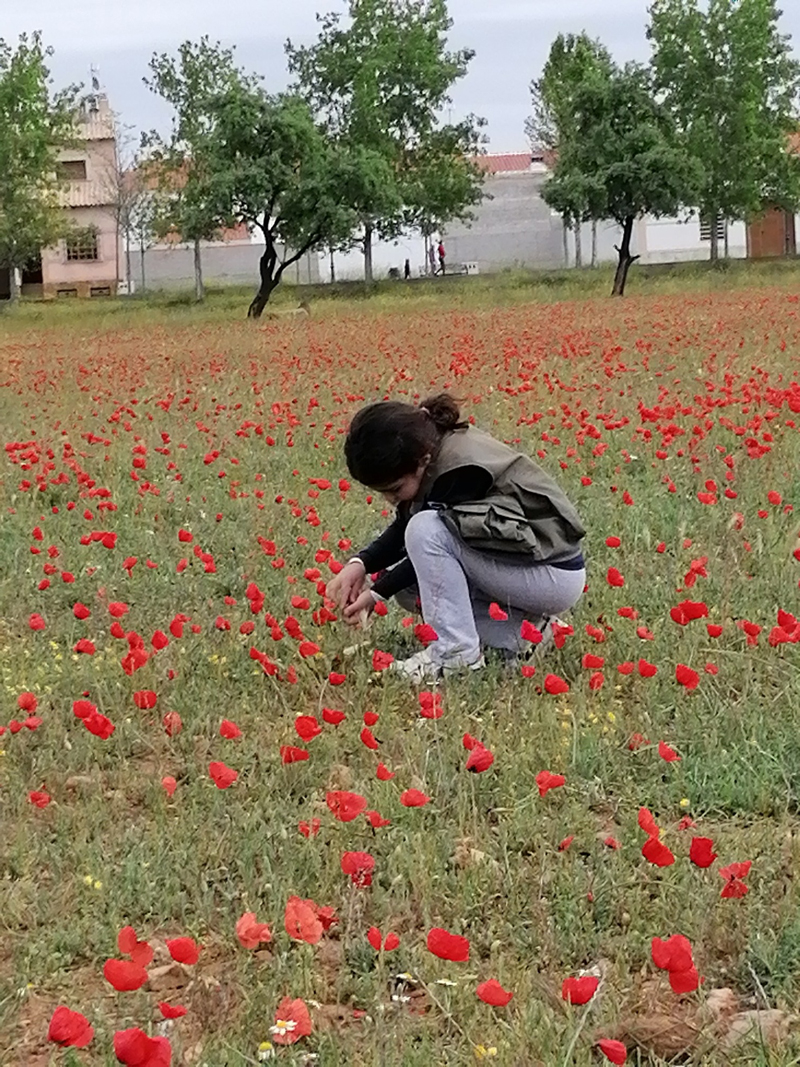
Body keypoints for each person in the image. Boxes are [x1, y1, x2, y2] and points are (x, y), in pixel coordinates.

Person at [326, 394, 586, 682]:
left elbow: (424, 539)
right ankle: (529, 633)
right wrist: (361, 563)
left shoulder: (457, 471)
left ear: (422, 461)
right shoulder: (433, 445)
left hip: (551, 574)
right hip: (528, 567)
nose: (389, 499)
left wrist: (375, 593)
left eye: (395, 489)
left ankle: (455, 657)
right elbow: (405, 526)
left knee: (425, 531)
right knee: (411, 587)